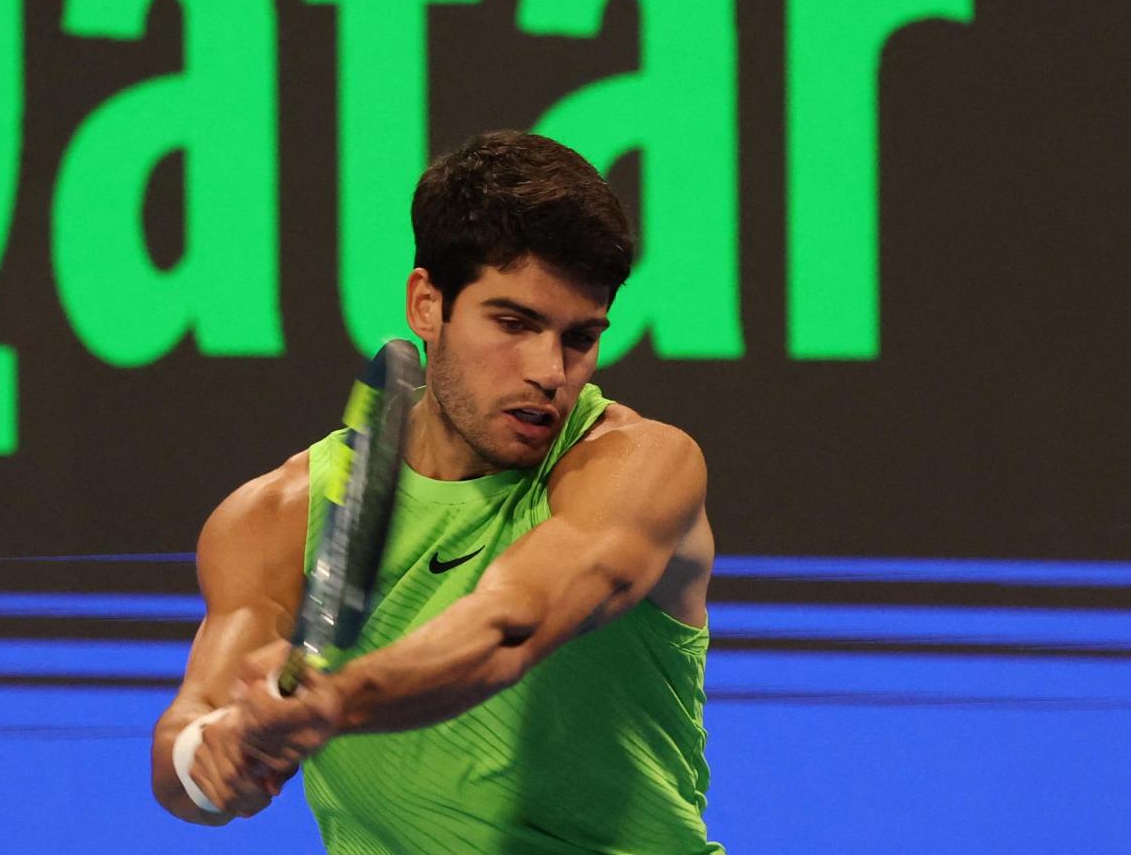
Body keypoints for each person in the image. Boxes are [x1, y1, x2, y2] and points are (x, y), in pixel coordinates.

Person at [150, 130, 723, 854]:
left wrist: (344, 699)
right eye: (514, 323)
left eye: (580, 337)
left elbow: (510, 625)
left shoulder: (642, 466)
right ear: (427, 304)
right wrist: (211, 762)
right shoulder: (278, 517)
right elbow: (184, 748)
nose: (551, 370)